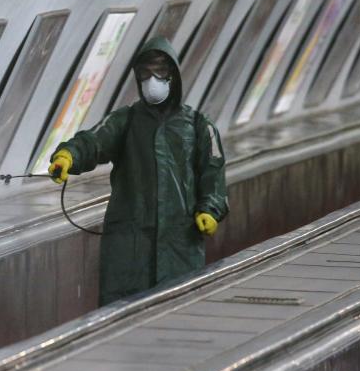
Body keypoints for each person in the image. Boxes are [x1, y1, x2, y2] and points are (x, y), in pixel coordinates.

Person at [48, 35, 228, 306]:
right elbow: (94, 141)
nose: (151, 80)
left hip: (179, 247)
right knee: (121, 317)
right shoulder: (126, 120)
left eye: (159, 72)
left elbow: (213, 175)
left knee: (177, 311)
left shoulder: (199, 126)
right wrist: (67, 156)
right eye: (145, 74)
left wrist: (209, 211)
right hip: (129, 251)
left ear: (174, 76)